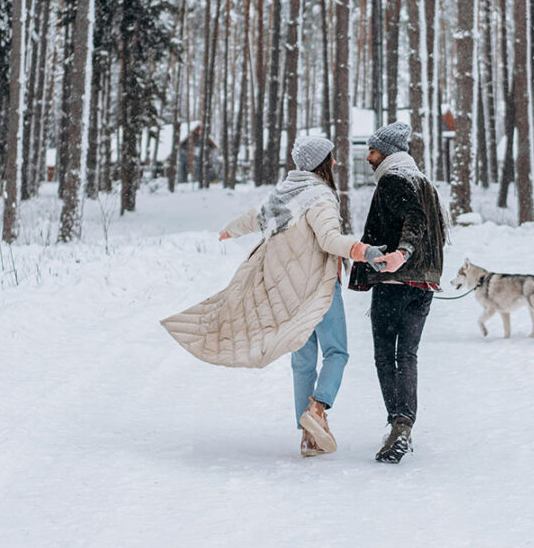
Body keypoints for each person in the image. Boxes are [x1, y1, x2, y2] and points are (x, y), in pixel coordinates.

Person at [160, 136, 391, 457]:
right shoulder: (320, 197)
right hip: (318, 289)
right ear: (322, 163)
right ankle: (318, 410)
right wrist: (363, 251)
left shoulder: (285, 194)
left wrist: (229, 230)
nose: (336, 162)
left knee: (303, 360)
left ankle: (308, 439)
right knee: (337, 353)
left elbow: (254, 217)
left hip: (290, 294)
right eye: (332, 158)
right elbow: (328, 239)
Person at [348, 122, 447, 464]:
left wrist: (400, 254)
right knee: (407, 355)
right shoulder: (424, 182)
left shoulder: (394, 179)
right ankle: (403, 423)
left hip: (395, 282)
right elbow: (434, 228)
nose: (368, 158)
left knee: (384, 356)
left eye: (372, 151)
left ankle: (399, 424)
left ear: (387, 153)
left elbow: (415, 220)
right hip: (424, 285)